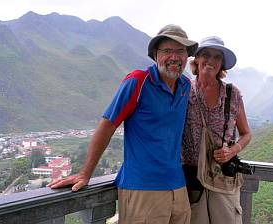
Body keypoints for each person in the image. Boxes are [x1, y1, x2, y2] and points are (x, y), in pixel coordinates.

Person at [48, 24, 198, 224]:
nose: (174, 57)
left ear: (187, 56)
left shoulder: (185, 86)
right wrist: (85, 173)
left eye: (180, 51)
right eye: (167, 51)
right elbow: (107, 126)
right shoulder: (137, 82)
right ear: (155, 55)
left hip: (177, 186)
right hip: (143, 188)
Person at [182, 36, 251, 224]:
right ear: (196, 59)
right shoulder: (184, 90)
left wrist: (232, 150)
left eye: (217, 57)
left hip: (222, 176)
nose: (211, 61)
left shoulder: (232, 94)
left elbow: (246, 134)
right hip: (191, 178)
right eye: (206, 54)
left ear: (222, 64)